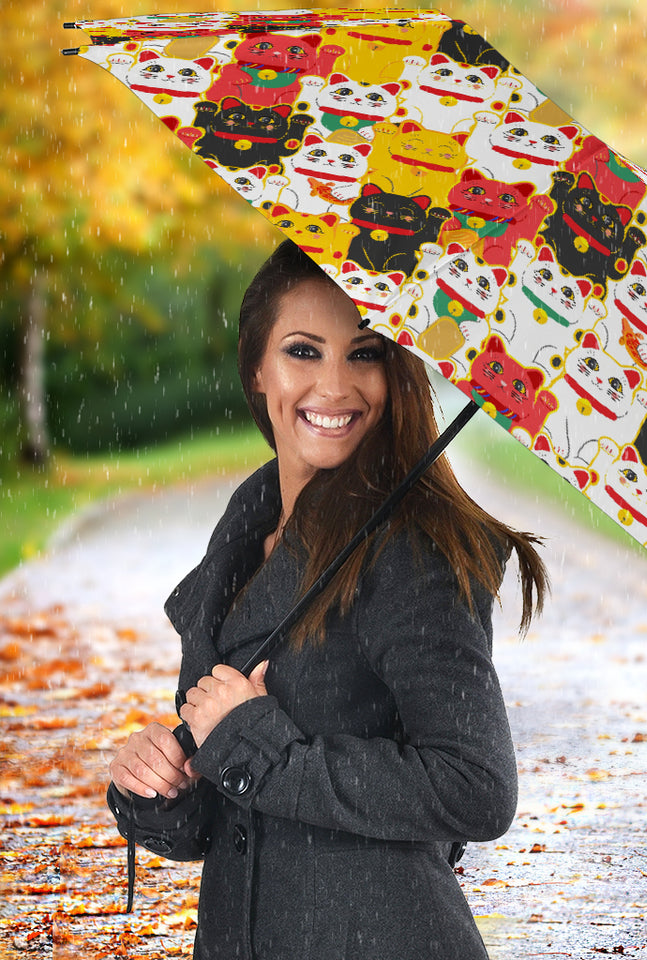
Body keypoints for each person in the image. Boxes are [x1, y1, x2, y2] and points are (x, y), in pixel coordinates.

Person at [107, 239, 548, 959]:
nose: (336, 385)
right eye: (304, 352)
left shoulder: (411, 552)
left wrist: (259, 746)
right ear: (257, 370)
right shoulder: (242, 544)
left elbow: (477, 789)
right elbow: (238, 811)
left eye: (365, 352)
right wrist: (168, 784)